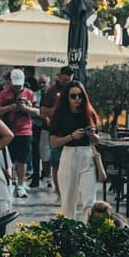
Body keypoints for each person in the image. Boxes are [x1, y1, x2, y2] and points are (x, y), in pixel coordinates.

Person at [48, 80, 100, 221]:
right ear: (67, 98)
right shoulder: (59, 115)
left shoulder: (89, 113)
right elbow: (53, 142)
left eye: (80, 96)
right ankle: (70, 235)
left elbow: (97, 140)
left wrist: (92, 135)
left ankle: (86, 231)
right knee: (68, 202)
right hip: (68, 155)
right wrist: (71, 136)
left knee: (90, 201)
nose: (77, 99)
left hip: (87, 155)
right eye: (73, 96)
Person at [0, 69, 39, 198]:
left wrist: (25, 108)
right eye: (15, 85)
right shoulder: (4, 94)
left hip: (25, 130)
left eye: (19, 86)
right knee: (9, 159)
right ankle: (10, 183)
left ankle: (21, 185)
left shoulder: (30, 93)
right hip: (8, 130)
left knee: (22, 159)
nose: (17, 88)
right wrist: (11, 107)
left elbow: (38, 112)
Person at [39, 66, 75, 189]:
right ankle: (59, 190)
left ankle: (69, 189)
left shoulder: (75, 91)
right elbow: (43, 111)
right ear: (59, 77)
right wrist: (53, 113)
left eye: (69, 80)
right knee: (56, 162)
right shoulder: (52, 91)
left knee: (71, 163)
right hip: (57, 131)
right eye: (65, 80)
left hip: (71, 131)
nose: (67, 82)